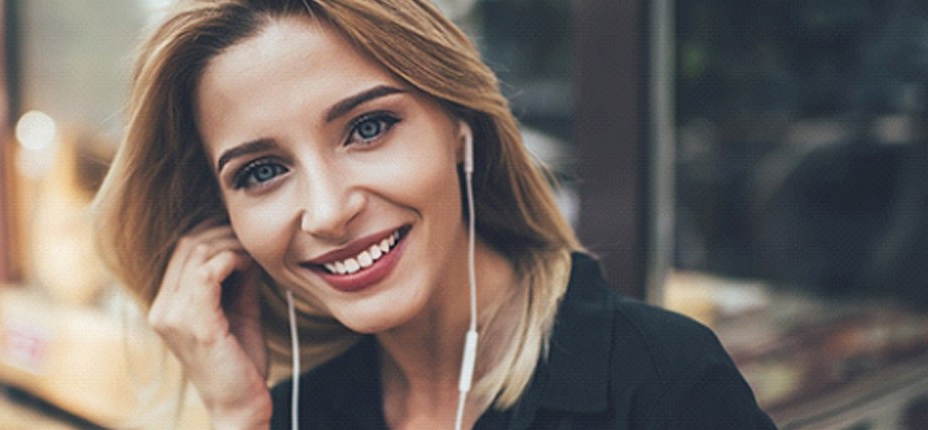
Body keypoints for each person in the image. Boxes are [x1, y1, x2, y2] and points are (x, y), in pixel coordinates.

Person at [93, 0, 777, 428]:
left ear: (461, 126)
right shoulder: (297, 414)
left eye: (368, 128)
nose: (328, 212)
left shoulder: (657, 380)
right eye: (263, 172)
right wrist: (235, 417)